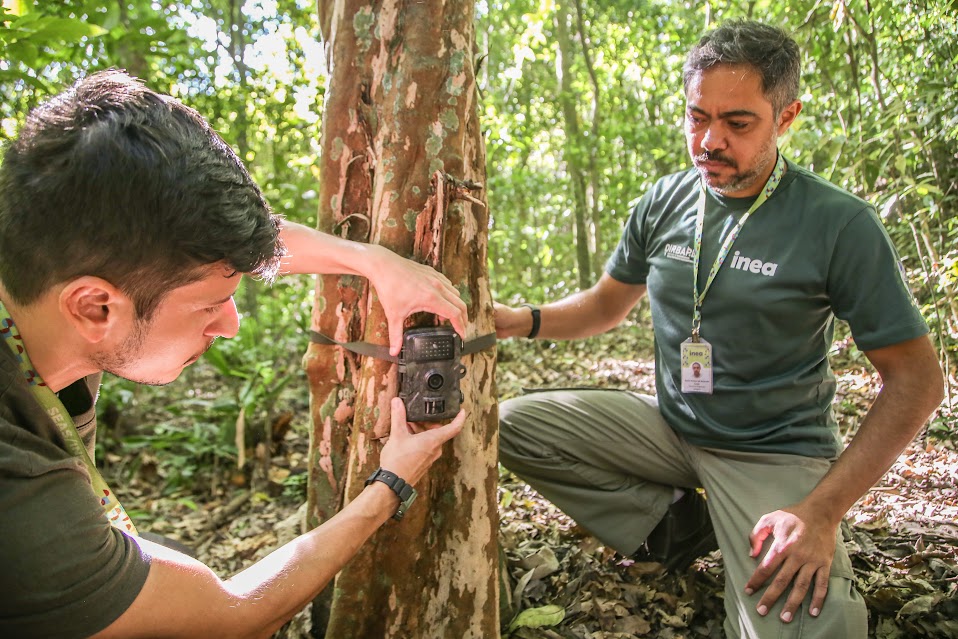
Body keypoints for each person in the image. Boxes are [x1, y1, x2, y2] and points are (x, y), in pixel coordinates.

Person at [495, 20, 943, 639]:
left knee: (801, 626)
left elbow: (917, 383)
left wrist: (821, 512)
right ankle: (681, 525)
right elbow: (606, 306)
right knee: (509, 425)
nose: (709, 140)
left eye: (737, 123)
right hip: (671, 427)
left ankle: (751, 525)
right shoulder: (664, 201)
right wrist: (522, 321)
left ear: (786, 117)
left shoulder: (838, 223)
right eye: (696, 117)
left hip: (773, 450)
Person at [0, 70, 468, 638]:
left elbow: (223, 250)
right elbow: (231, 617)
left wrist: (373, 261)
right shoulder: (20, 501)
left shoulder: (47, 266)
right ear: (96, 308)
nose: (230, 324)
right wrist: (390, 482)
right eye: (210, 306)